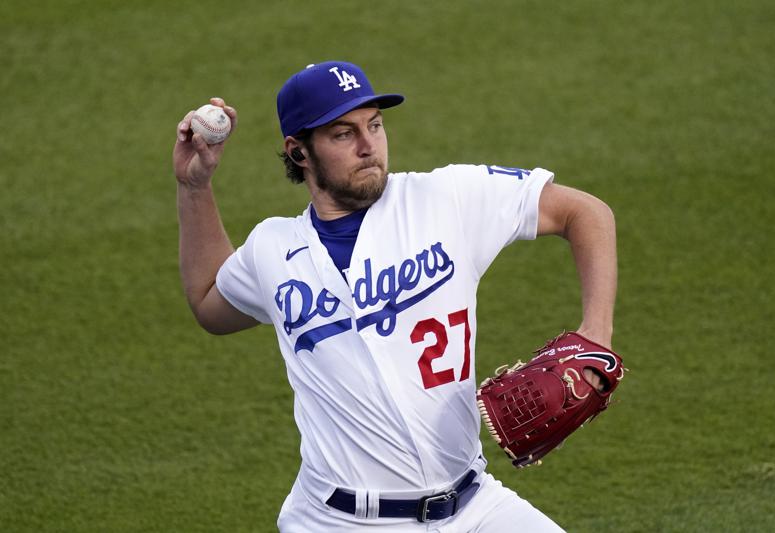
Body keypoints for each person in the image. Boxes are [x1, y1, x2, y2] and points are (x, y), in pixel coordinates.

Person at [172, 61, 617, 532]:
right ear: (299, 151)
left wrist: (596, 335)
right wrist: (194, 185)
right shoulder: (272, 249)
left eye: (375, 125)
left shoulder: (446, 199)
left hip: (477, 506)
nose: (369, 146)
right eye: (344, 134)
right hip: (339, 522)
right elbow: (209, 302)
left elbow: (584, 213)